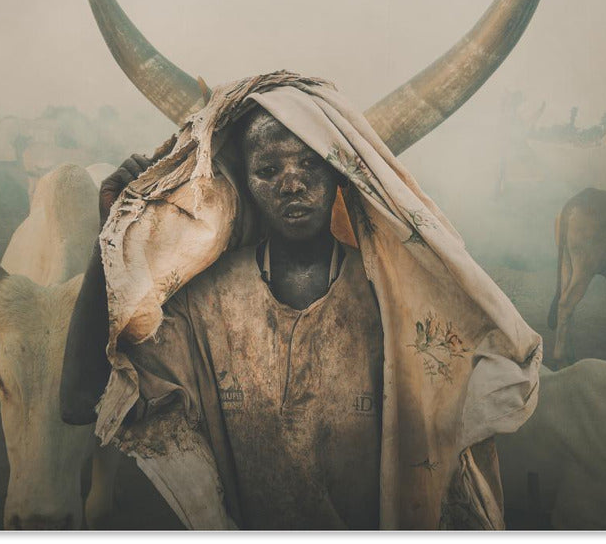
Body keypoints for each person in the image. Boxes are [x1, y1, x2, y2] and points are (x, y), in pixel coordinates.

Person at [61, 74, 542, 530]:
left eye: (311, 163)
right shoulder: (206, 303)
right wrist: (113, 231)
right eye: (268, 169)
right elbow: (81, 402)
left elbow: (498, 375)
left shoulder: (392, 298)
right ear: (244, 184)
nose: (292, 183)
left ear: (340, 175)